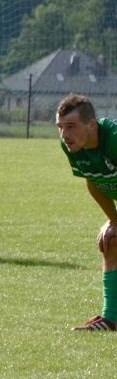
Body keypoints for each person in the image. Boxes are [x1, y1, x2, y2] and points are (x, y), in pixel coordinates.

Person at [54, 94, 117, 331]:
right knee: (111, 240)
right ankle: (111, 318)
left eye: (71, 127)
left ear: (91, 125)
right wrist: (113, 220)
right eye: (60, 127)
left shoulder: (113, 141)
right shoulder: (71, 146)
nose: (64, 134)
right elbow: (93, 181)